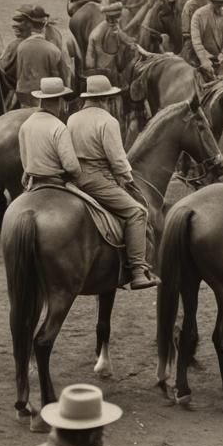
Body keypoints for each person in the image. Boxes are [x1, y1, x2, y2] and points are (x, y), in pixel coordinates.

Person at [68, 75, 158, 289]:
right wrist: (128, 179)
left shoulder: (73, 119)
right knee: (137, 212)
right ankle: (137, 270)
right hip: (98, 178)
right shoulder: (108, 121)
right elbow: (117, 159)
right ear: (105, 99)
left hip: (74, 177)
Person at [18, 77, 81, 191]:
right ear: (60, 102)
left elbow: (25, 162)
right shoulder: (59, 127)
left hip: (34, 183)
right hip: (56, 182)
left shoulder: (25, 125)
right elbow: (72, 167)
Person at [15, 10, 70, 108]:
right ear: (44, 26)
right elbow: (58, 76)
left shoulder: (21, 47)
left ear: (31, 26)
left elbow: (19, 73)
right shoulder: (53, 50)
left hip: (23, 93)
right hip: (43, 94)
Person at [85, 3, 137, 86]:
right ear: (109, 17)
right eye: (115, 18)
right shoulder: (97, 34)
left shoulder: (112, 26)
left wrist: (133, 42)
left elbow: (124, 38)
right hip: (102, 70)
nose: (117, 21)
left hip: (111, 67)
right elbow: (90, 60)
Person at [190, 0, 223, 79]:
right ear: (210, 1)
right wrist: (204, 59)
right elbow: (196, 41)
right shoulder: (198, 15)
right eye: (215, 2)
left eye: (220, 3)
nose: (218, 5)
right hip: (198, 57)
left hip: (221, 58)